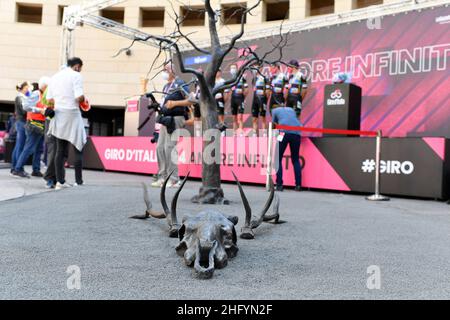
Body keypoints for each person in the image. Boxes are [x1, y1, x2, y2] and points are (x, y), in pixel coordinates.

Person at [46, 57, 87, 190]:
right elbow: (78, 96)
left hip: (59, 113)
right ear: (76, 66)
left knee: (60, 149)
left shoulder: (54, 77)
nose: (80, 70)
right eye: (80, 67)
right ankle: (78, 181)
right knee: (78, 147)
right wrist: (84, 99)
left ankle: (60, 182)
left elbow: (49, 99)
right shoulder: (76, 76)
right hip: (72, 113)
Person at [151, 63, 191, 188]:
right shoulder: (166, 86)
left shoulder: (180, 83)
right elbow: (165, 103)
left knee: (169, 147)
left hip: (176, 118)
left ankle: (174, 179)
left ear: (172, 70)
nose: (164, 72)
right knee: (160, 147)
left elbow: (192, 99)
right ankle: (162, 177)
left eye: (166, 69)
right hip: (165, 119)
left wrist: (175, 103)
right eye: (163, 69)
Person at [12, 77, 51, 178]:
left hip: (41, 123)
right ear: (44, 86)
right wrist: (40, 110)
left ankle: (36, 169)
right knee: (29, 148)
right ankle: (17, 169)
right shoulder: (36, 94)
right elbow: (26, 106)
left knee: (39, 149)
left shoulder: (44, 95)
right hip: (34, 123)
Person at [271, 105, 302, 192]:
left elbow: (273, 124)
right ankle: (298, 185)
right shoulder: (291, 109)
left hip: (283, 133)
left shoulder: (274, 110)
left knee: (277, 158)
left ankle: (279, 185)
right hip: (296, 133)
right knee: (295, 159)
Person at [10, 82, 30, 175]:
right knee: (20, 146)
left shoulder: (21, 97)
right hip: (21, 122)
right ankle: (18, 168)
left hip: (20, 122)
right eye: (26, 88)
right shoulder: (20, 97)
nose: (28, 89)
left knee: (18, 145)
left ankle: (14, 168)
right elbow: (23, 110)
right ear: (22, 88)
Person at [251, 64, 270, 135]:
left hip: (262, 100)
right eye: (254, 67)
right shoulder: (254, 78)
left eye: (257, 67)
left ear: (261, 68)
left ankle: (264, 133)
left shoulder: (265, 77)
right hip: (255, 100)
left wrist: (265, 100)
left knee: (263, 117)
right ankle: (254, 134)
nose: (256, 69)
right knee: (254, 118)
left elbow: (268, 91)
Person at [229, 64, 248, 133]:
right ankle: (234, 133)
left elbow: (246, 89)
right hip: (233, 99)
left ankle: (240, 132)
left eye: (234, 68)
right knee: (234, 118)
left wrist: (243, 98)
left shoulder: (242, 77)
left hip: (240, 99)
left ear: (237, 69)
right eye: (231, 68)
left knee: (240, 118)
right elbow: (230, 90)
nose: (232, 69)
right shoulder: (230, 79)